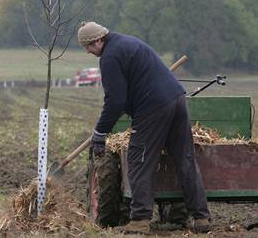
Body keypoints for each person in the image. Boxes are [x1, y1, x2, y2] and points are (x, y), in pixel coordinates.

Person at [77, 21, 211, 234]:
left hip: (153, 108)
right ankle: (201, 217)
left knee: (138, 160)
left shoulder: (110, 57)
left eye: (89, 46)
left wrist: (100, 133)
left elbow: (115, 101)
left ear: (99, 40)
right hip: (177, 100)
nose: (88, 51)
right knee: (185, 159)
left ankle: (140, 219)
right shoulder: (128, 43)